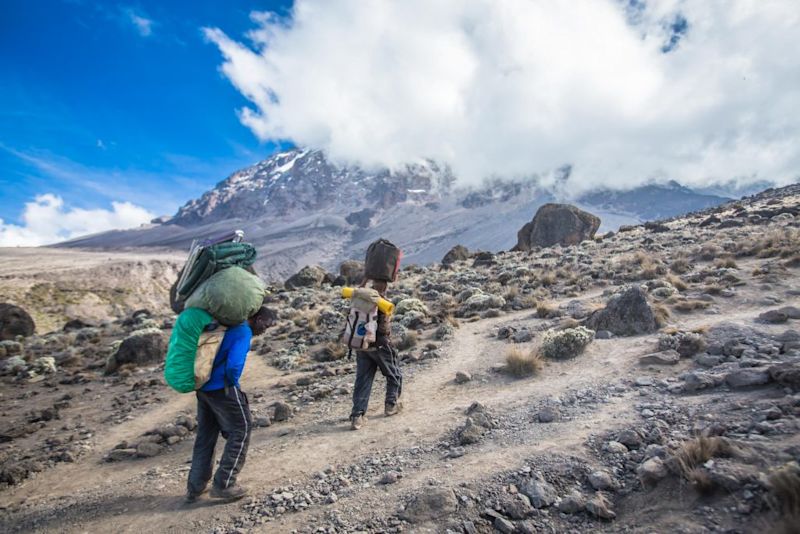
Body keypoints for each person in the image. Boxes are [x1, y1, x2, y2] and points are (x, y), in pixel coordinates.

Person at [186, 306, 276, 503]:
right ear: (258, 318)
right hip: (223, 388)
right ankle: (224, 484)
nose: (265, 330)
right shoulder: (243, 331)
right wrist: (232, 384)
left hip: (204, 388)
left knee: (206, 436)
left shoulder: (226, 327)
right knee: (241, 429)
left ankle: (195, 486)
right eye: (266, 325)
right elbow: (234, 365)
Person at [350, 280, 403, 430]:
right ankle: (391, 405)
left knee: (363, 380)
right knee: (394, 374)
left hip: (361, 346)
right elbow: (384, 327)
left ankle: (357, 416)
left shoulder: (360, 300)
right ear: (384, 286)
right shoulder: (382, 302)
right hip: (380, 346)